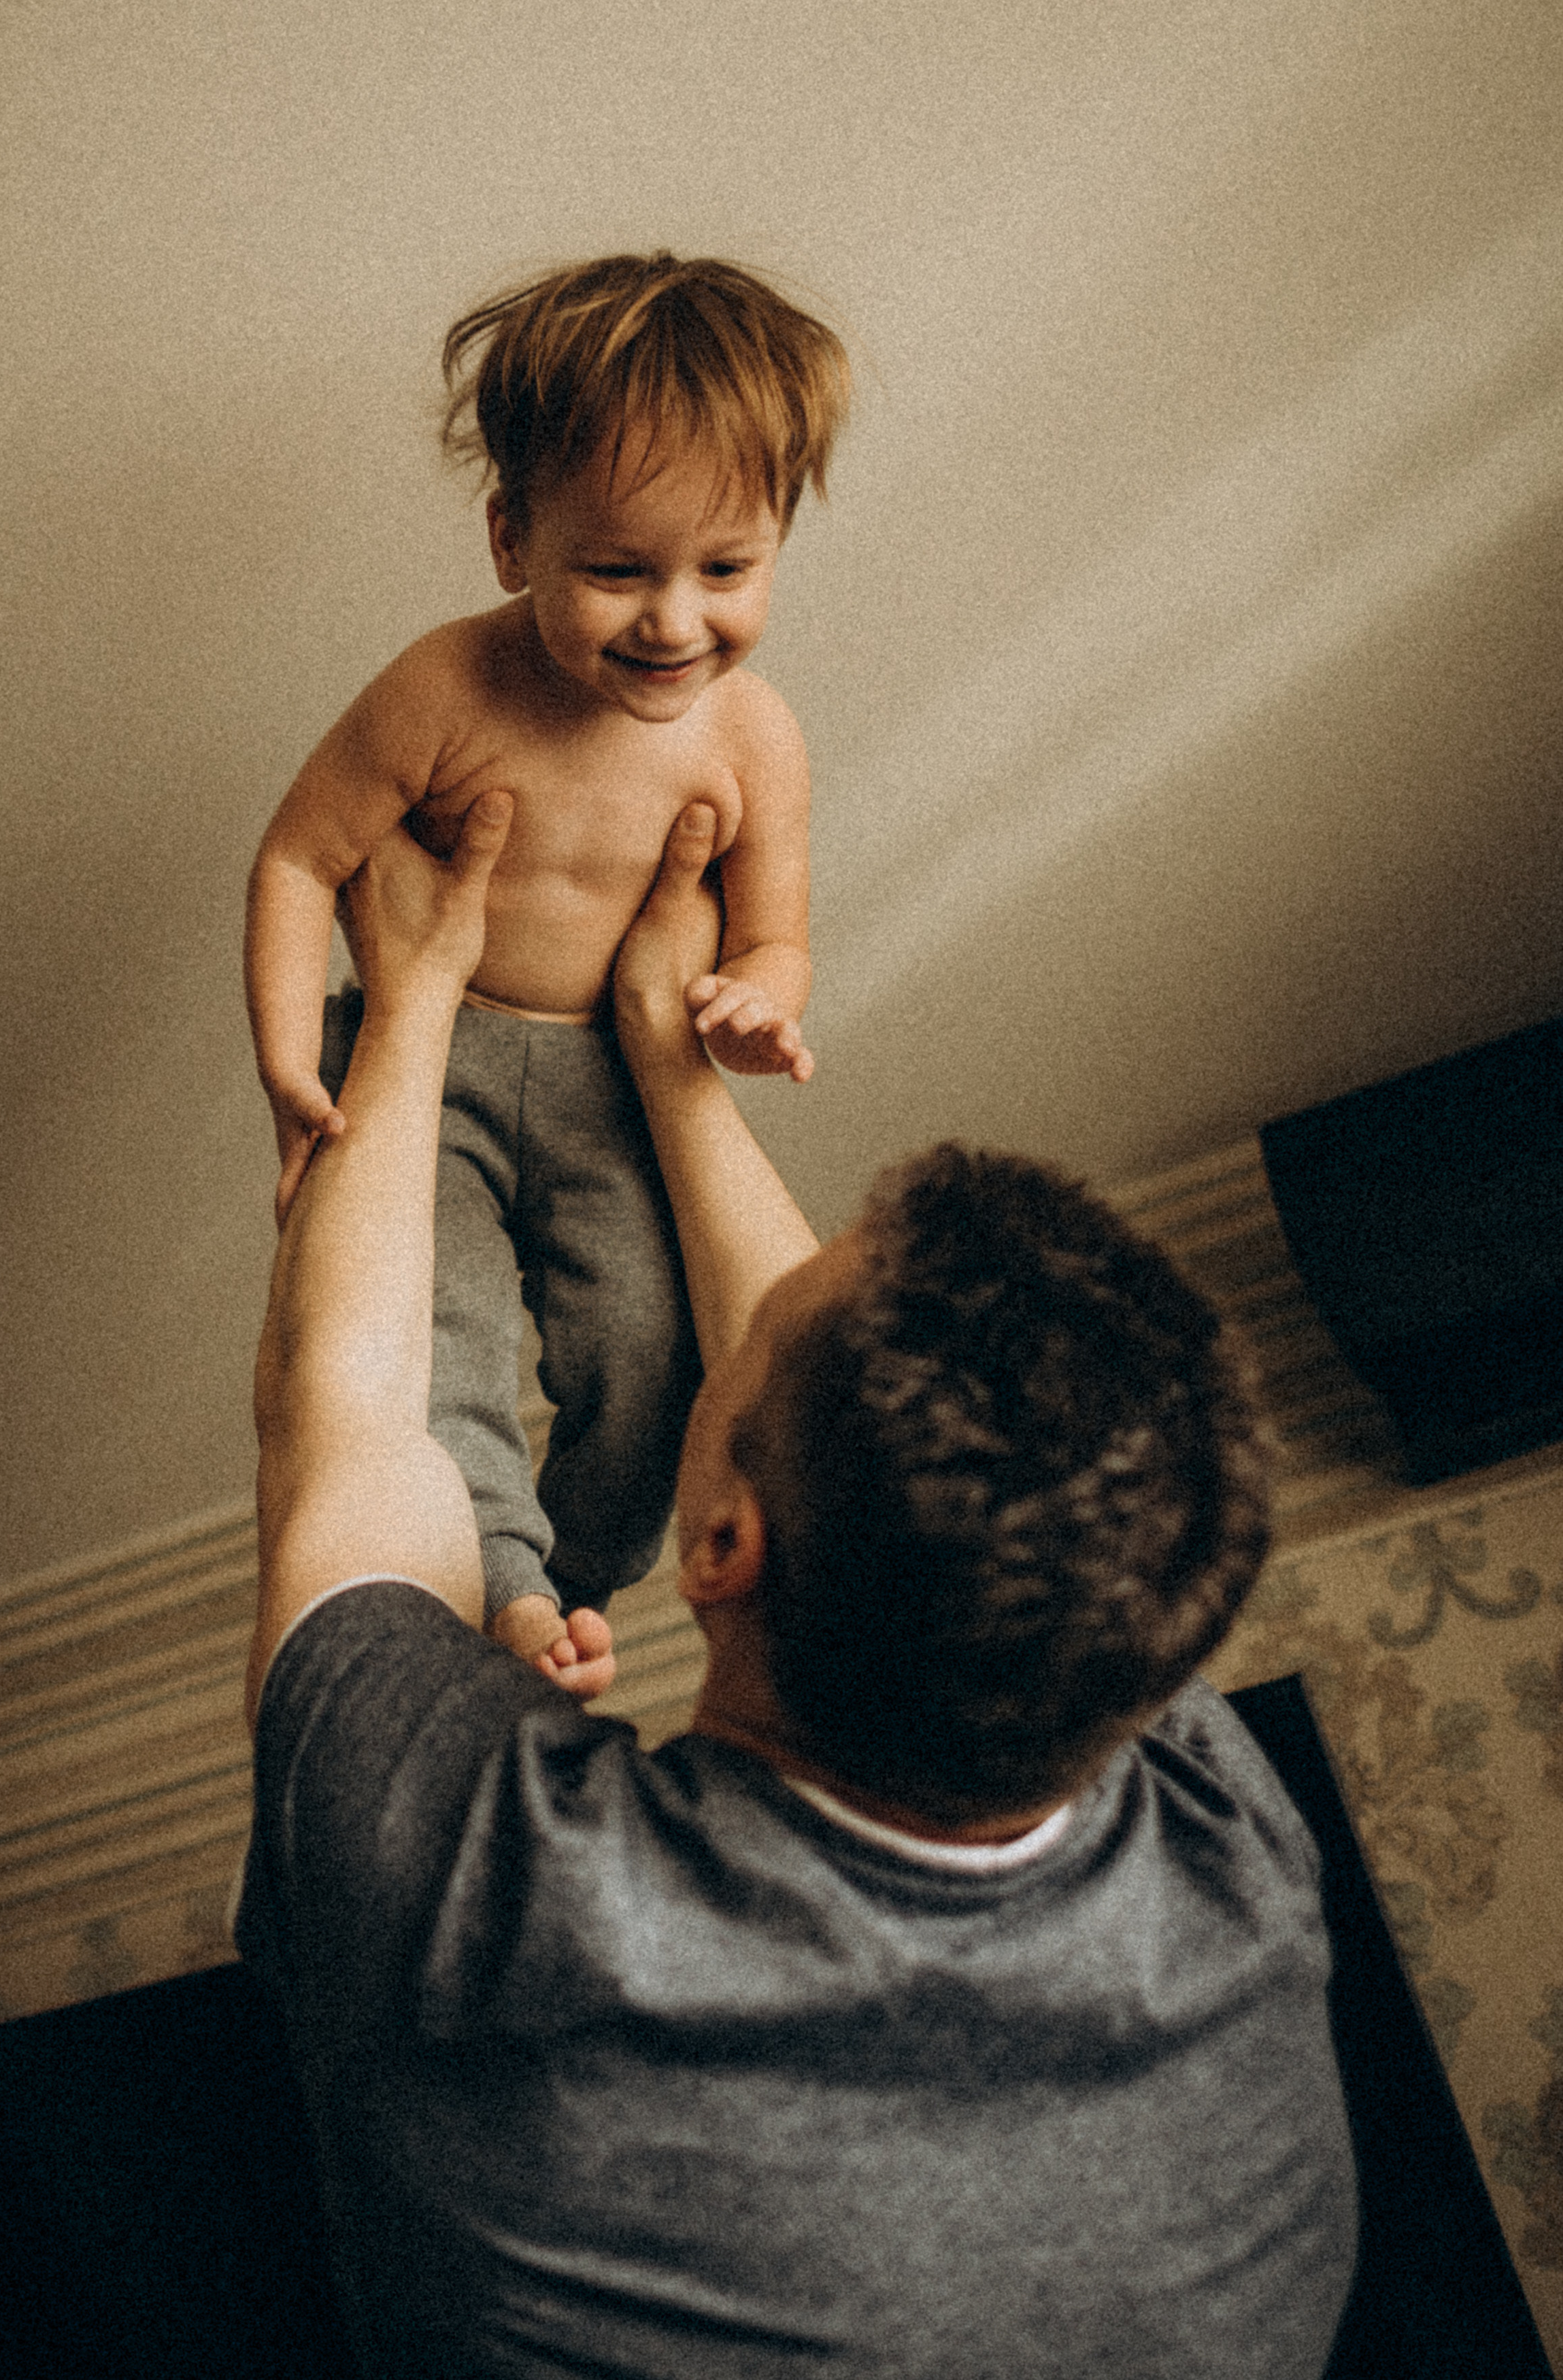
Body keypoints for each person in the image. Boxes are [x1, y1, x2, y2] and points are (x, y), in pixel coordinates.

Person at [237, 795, 1358, 2380]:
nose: (741, 1319)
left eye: (737, 1358)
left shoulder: (497, 1915)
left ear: (716, 1549)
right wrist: (663, 1047)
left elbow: (349, 1426)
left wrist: (411, 997)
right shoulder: (1210, 1812)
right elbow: (848, 1409)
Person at [243, 252, 850, 1673]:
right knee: (429, 1344)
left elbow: (774, 931)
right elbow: (298, 859)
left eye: (727, 569)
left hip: (607, 1083)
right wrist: (286, 1063)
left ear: (778, 542)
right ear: (514, 539)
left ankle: (558, 1574)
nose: (674, 621)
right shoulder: (444, 689)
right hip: (428, 1062)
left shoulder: (753, 738)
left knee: (652, 1358)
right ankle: (498, 1581)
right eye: (617, 570)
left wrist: (758, 1004)